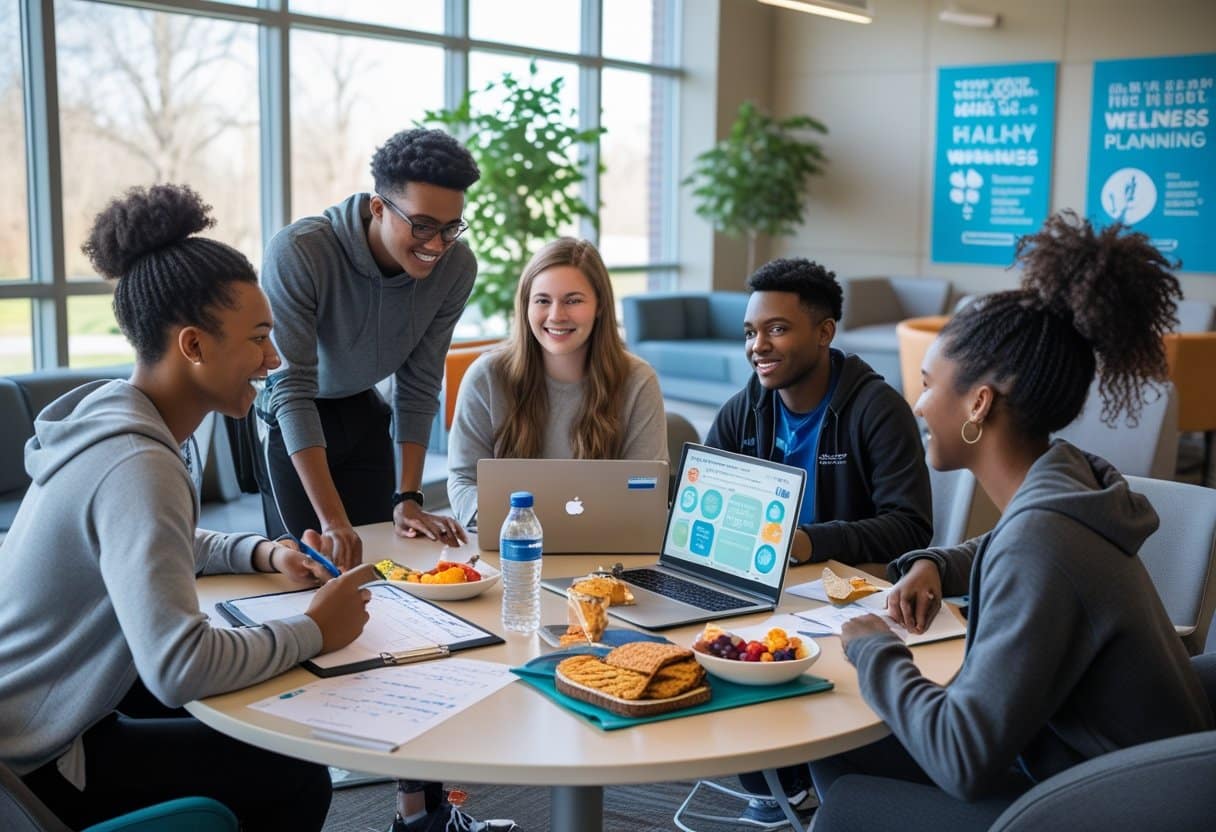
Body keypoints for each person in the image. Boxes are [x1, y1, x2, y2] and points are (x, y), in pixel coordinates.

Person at [808, 212, 1215, 831]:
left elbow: (963, 759)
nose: (917, 404)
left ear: (979, 402)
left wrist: (876, 649)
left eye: (926, 385)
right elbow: (1007, 544)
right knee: (841, 744)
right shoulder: (1068, 481)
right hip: (1108, 768)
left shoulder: (1045, 542)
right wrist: (935, 564)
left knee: (845, 808)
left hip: (1104, 805)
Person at [0, 184, 377, 831]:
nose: (274, 358)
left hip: (50, 711)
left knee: (264, 703)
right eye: (258, 338)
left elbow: (157, 537)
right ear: (194, 346)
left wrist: (262, 550)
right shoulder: (136, 463)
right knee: (292, 775)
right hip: (37, 761)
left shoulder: (125, 424)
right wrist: (319, 628)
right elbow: (178, 668)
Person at [704, 257, 932, 826]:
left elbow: (910, 525)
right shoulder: (746, 409)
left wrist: (806, 542)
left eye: (777, 329)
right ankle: (775, 776)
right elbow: (700, 500)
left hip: (843, 601)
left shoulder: (876, 410)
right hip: (759, 590)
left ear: (825, 332)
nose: (759, 345)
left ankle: (799, 777)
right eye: (752, 332)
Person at [258, 127, 478, 569]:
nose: (436, 245)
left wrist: (409, 496)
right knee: (312, 568)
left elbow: (419, 380)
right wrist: (333, 520)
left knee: (382, 564)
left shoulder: (456, 266)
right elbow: (293, 389)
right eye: (422, 226)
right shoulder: (300, 252)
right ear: (378, 208)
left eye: (450, 228)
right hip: (293, 416)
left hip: (361, 408)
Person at [447, 237, 668, 527]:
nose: (556, 315)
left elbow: (646, 490)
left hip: (604, 557)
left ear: (600, 305)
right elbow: (463, 480)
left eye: (573, 300)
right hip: (510, 550)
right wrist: (518, 526)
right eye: (542, 300)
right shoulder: (486, 377)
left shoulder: (638, 381)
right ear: (526, 306)